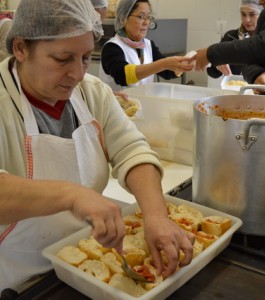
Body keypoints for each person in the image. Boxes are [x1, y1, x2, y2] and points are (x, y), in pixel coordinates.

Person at [0, 0, 194, 292]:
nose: (78, 74)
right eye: (63, 59)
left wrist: (156, 215)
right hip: (21, 277)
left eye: (84, 57)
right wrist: (73, 196)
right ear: (20, 49)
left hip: (85, 260)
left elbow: (132, 150)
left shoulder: (92, 93)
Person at [194, 0, 265, 100]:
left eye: (252, 14)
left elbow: (261, 46)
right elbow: (250, 60)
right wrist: (257, 73)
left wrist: (211, 53)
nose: (261, 1)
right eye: (243, 14)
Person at [99, 0, 194, 91]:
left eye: (148, 17)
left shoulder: (148, 45)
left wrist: (184, 65)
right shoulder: (112, 47)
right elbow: (123, 76)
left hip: (142, 104)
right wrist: (164, 63)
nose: (146, 22)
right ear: (123, 19)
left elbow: (167, 72)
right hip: (117, 106)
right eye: (141, 17)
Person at [207, 0, 262, 78]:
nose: (247, 20)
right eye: (243, 14)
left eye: (252, 14)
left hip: (259, 89)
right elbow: (214, 74)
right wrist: (216, 64)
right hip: (233, 88)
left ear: (262, 14)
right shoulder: (230, 37)